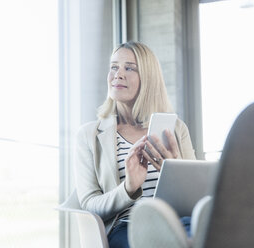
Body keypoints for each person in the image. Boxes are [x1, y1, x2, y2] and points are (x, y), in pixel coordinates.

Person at [74, 41, 196, 248]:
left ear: (148, 78)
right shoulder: (89, 135)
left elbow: (195, 196)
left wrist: (176, 171)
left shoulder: (176, 129)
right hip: (127, 226)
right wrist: (128, 188)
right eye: (114, 67)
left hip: (177, 221)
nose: (118, 74)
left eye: (129, 68)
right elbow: (89, 205)